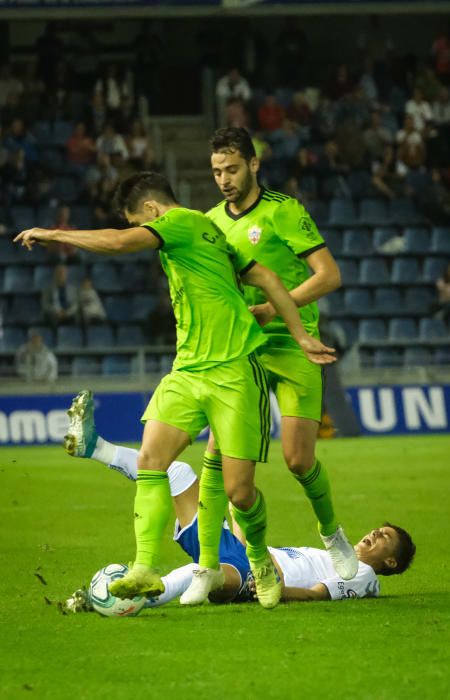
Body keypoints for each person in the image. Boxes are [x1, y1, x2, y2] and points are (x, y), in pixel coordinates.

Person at [15, 170, 336, 610]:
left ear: (150, 210)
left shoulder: (180, 222)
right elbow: (268, 280)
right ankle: (144, 566)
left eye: (137, 221)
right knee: (151, 459)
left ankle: (259, 558)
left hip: (236, 374)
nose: (138, 231)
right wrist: (299, 333)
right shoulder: (214, 233)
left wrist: (53, 233)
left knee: (241, 494)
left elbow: (118, 243)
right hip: (188, 370)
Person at [63, 391, 416, 610]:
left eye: (384, 538)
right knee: (179, 476)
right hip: (245, 557)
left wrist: (268, 588)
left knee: (202, 569)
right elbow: (259, 551)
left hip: (252, 578)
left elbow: (316, 595)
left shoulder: (365, 576)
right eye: (378, 529)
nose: (374, 533)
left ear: (390, 562)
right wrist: (236, 511)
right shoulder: (331, 557)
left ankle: (125, 598)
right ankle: (94, 447)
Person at [206, 127, 357, 581]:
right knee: (218, 458)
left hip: (294, 346)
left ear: (254, 165)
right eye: (216, 172)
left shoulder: (284, 211)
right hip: (244, 352)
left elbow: (329, 275)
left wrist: (273, 309)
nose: (224, 179)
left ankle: (332, 533)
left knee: (298, 459)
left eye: (232, 169)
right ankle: (215, 561)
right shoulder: (210, 220)